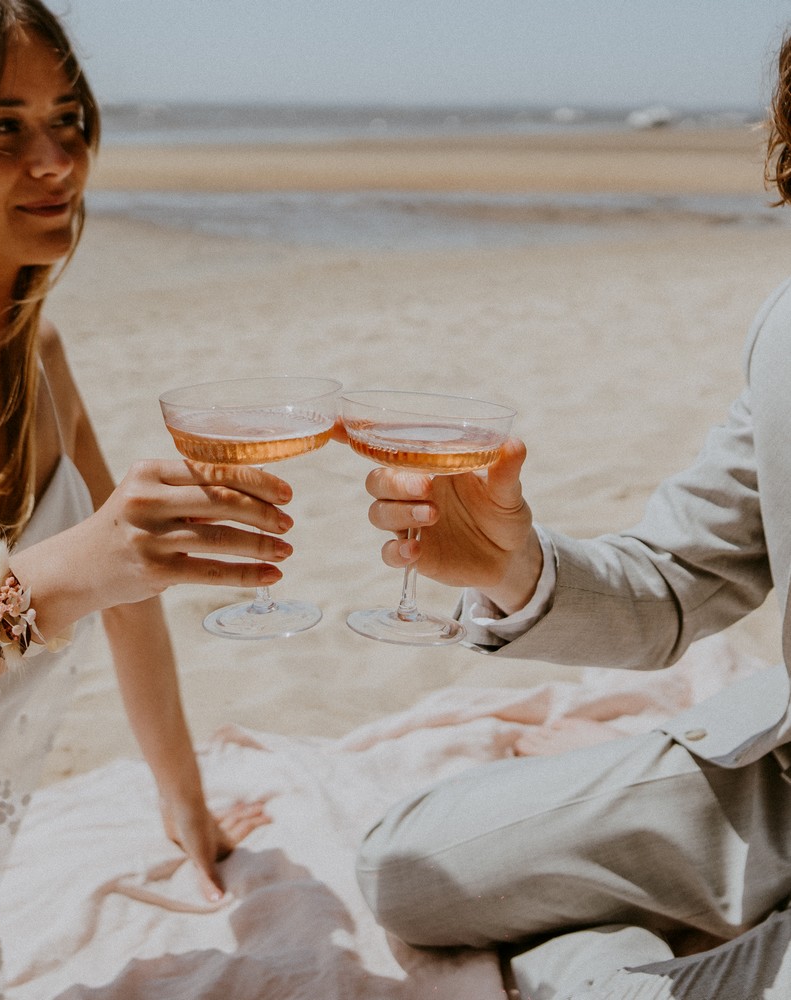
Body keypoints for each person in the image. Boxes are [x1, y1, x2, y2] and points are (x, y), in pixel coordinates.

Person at [354, 34, 791, 1000]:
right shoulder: (788, 330)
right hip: (781, 791)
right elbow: (679, 580)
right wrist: (515, 564)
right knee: (406, 871)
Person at [0, 1, 290, 994]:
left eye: (67, 118)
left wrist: (187, 806)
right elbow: (87, 573)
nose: (55, 160)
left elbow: (129, 594)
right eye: (3, 128)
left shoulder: (35, 353)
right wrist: (57, 579)